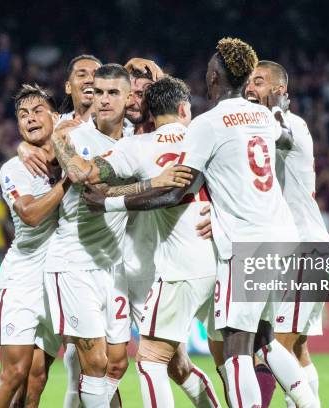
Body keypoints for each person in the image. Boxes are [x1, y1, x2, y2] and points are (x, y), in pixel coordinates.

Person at [82, 38, 318, 408]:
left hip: (245, 242)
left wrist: (111, 202)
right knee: (265, 339)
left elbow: (177, 190)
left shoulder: (208, 123)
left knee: (236, 346)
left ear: (213, 76)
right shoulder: (261, 116)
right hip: (283, 236)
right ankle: (309, 402)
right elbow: (284, 141)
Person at [54, 76, 222, 407]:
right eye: (102, 92)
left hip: (152, 266)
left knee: (171, 363)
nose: (113, 99)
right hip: (103, 263)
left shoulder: (139, 139)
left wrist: (218, 214)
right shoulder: (79, 132)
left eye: (129, 93)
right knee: (99, 363)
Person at [245, 60, 329, 408]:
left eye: (260, 82)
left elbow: (281, 137)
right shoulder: (261, 125)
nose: (250, 87)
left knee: (273, 345)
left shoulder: (289, 124)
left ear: (280, 92)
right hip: (297, 247)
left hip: (301, 250)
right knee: (296, 347)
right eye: (248, 80)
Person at [0, 84, 68, 408]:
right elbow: (31, 215)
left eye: (37, 111)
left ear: (56, 117)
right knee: (14, 373)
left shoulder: (70, 154)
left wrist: (67, 168)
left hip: (59, 279)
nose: (30, 119)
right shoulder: (14, 168)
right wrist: (69, 181)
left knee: (37, 378)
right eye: (22, 115)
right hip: (23, 279)